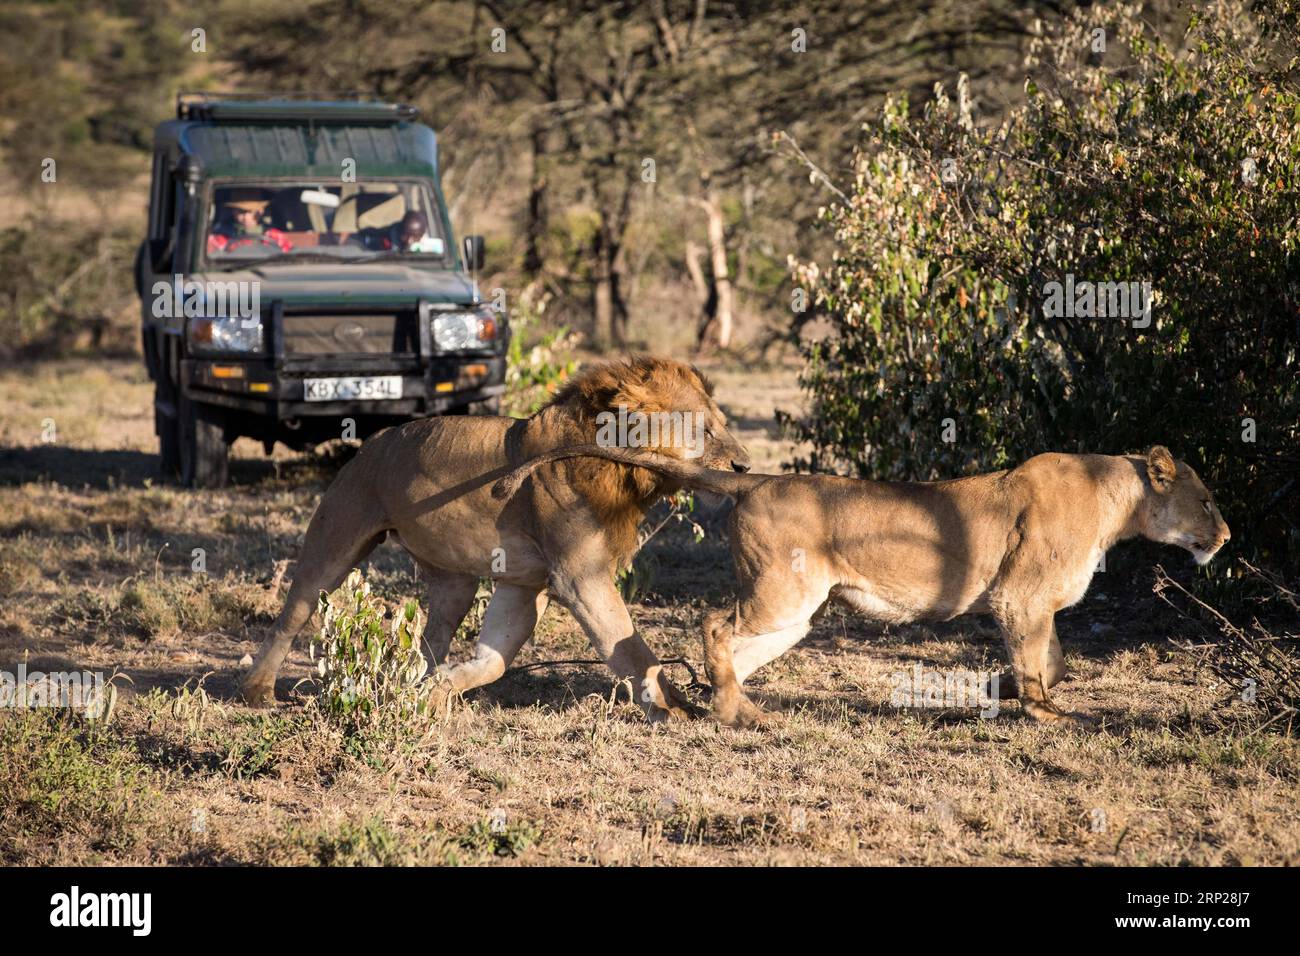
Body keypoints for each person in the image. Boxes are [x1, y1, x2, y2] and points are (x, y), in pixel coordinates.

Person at [208, 188, 293, 255]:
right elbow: (214, 257)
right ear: (233, 211)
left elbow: (286, 258)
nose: (246, 217)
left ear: (260, 211)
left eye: (250, 212)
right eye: (240, 212)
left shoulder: (275, 236)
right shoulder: (221, 236)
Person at [357, 210, 443, 253]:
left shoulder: (432, 246)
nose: (410, 240)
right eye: (406, 235)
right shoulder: (389, 236)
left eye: (415, 237)